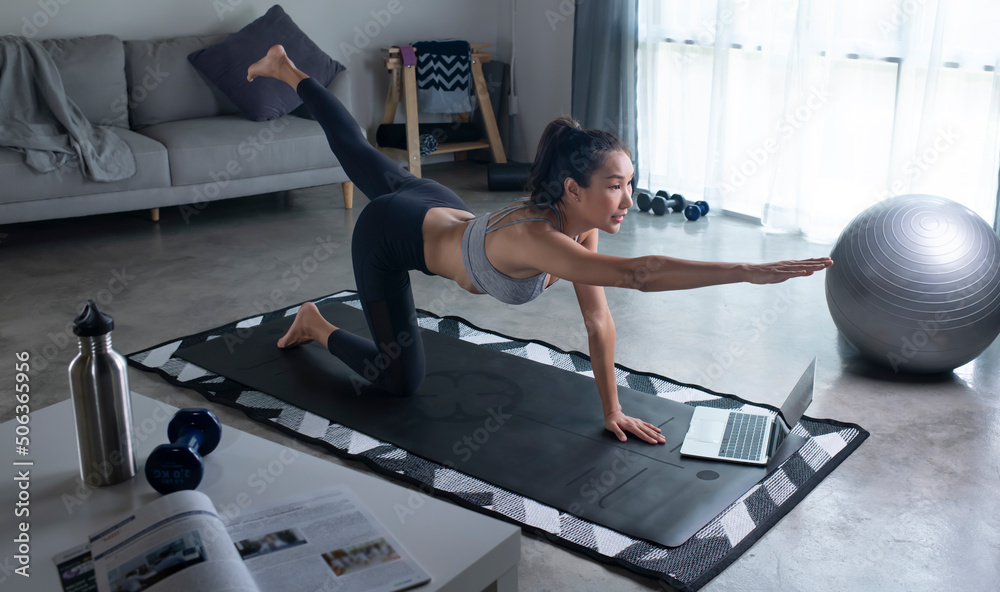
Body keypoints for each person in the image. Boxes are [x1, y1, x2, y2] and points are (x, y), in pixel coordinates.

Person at [247, 45, 833, 446]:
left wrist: (611, 410)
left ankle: (285, 66)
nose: (628, 199)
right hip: (390, 233)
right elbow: (640, 275)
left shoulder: (578, 224)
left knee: (353, 148)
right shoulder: (538, 238)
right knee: (399, 380)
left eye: (631, 182)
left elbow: (599, 320)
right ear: (573, 189)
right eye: (614, 186)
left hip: (431, 201)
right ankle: (315, 324)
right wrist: (750, 271)